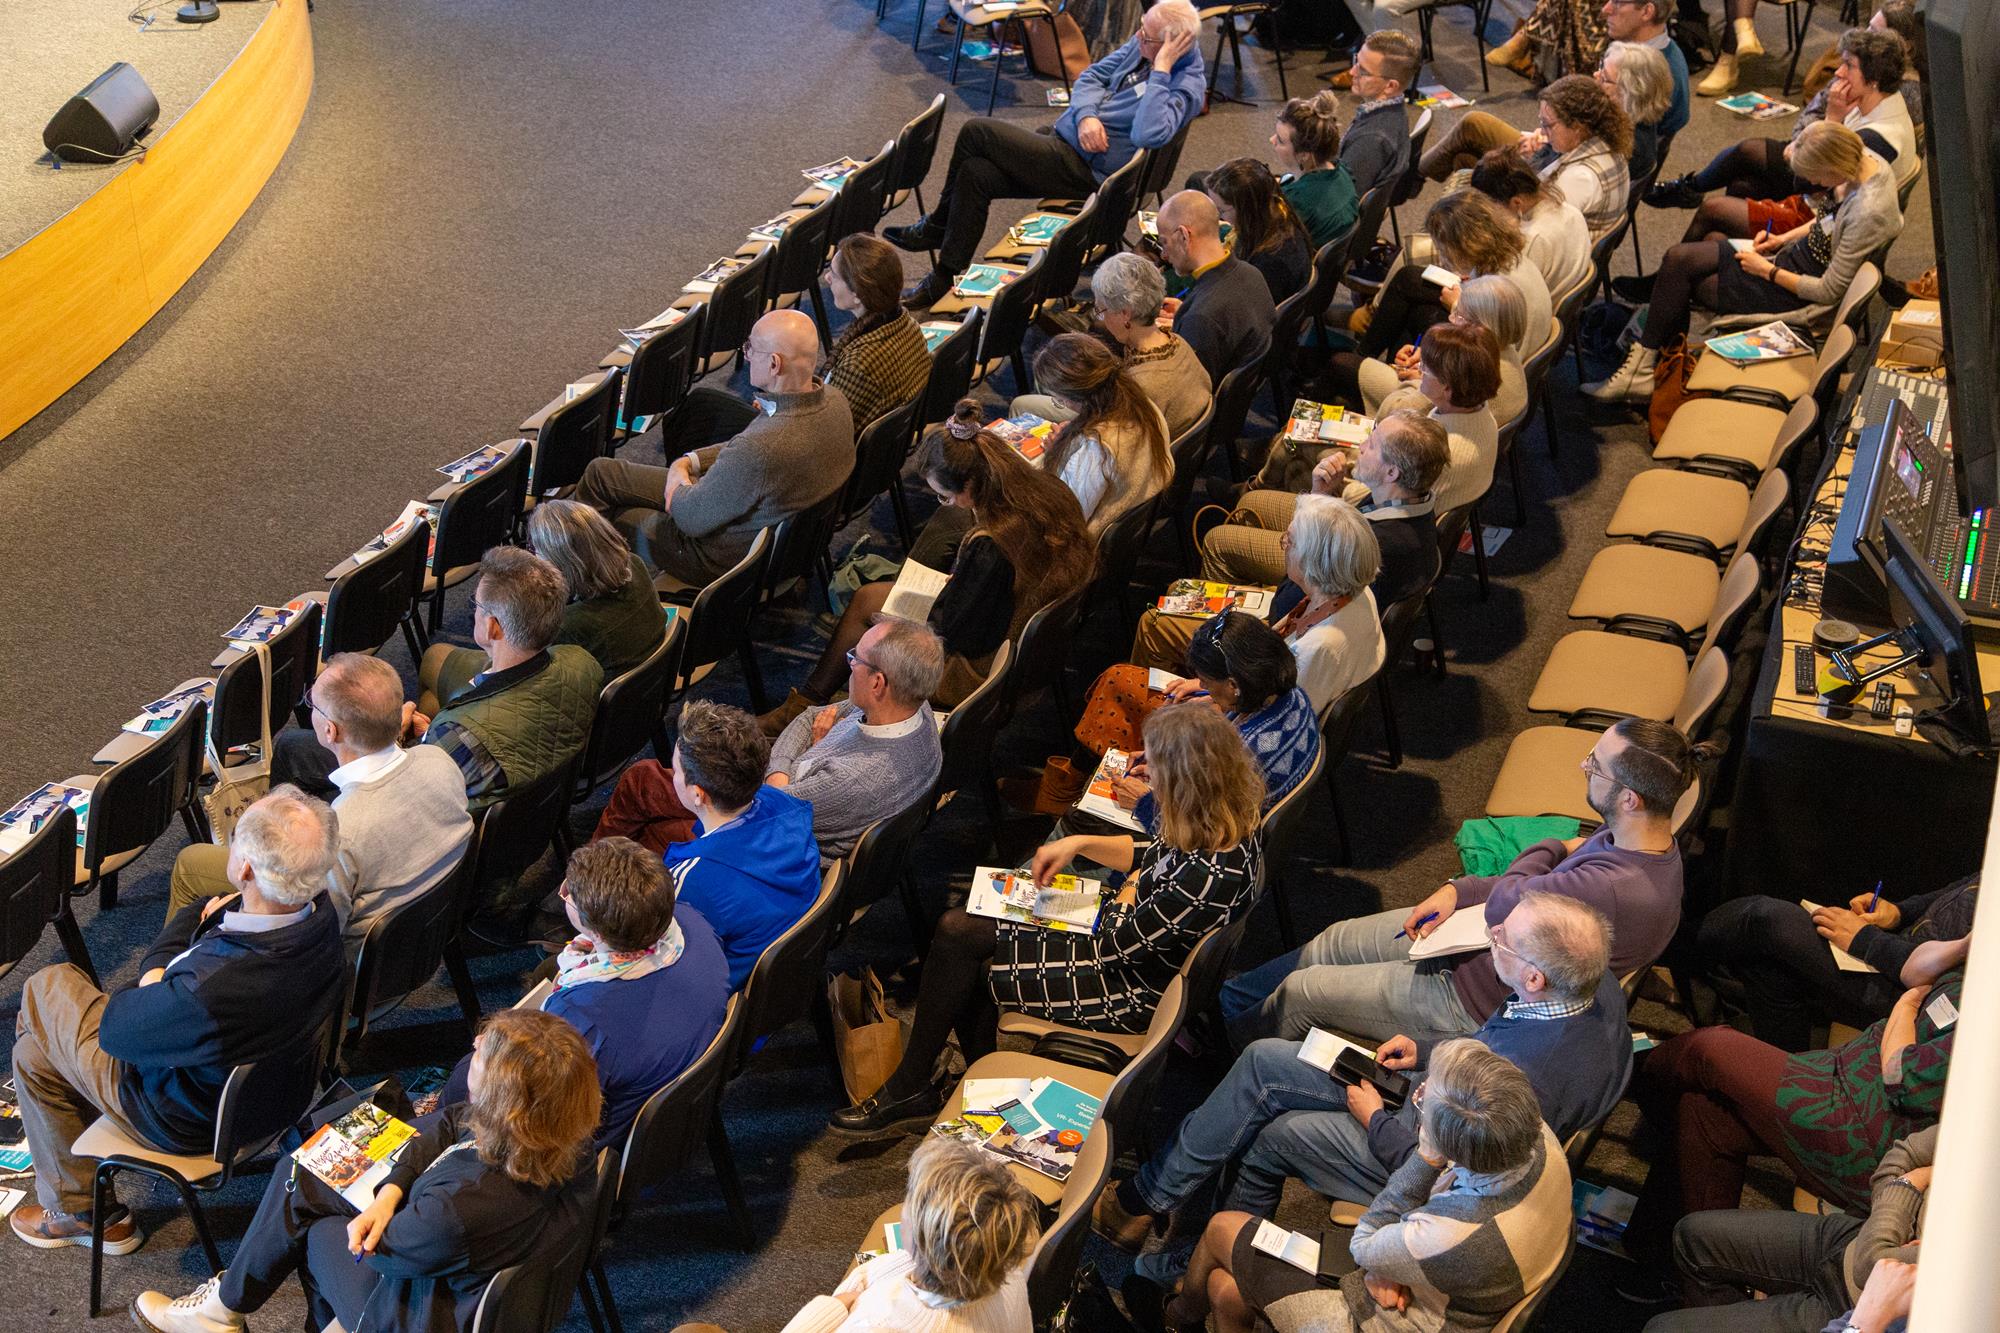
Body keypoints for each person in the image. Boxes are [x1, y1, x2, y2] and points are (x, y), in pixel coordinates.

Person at [1098, 891, 1628, 1260]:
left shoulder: (1529, 1076)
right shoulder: (1585, 982)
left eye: (1502, 940)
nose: (1491, 936)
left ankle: (1202, 1254)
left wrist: (1375, 1121)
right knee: (1263, 1061)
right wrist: (1425, 1050)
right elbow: (1484, 1048)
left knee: (1273, 1136)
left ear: (1534, 977)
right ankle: (1147, 1201)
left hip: (1419, 1153)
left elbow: (1447, 1177)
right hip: (1434, 1100)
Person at [829, 704, 1264, 1135]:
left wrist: (1122, 891)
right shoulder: (1222, 825)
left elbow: (1117, 946)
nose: (1150, 782)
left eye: (1158, 774)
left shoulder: (1206, 876)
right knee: (961, 930)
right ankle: (942, 1083)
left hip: (1128, 989)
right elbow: (1149, 855)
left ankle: (920, 1086)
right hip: (1126, 939)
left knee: (964, 948)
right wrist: (1078, 843)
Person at [12, 788, 345, 1253]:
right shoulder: (319, 914)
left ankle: (86, 1213)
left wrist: (154, 977)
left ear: (246, 870)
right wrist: (183, 945)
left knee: (47, 984)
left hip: (180, 1116)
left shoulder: (210, 988)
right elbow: (200, 908)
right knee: (32, 1056)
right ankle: (79, 1209)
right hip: (278, 1093)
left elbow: (117, 1028)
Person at [1225, 716, 1692, 1048]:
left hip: (1472, 998)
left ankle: (1220, 1048)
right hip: (1477, 946)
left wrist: (1552, 844)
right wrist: (1459, 889)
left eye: (1595, 766)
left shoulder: (1611, 888)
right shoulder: (1636, 837)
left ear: (1629, 798)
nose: (1583, 768)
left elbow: (1508, 899)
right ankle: (1225, 1005)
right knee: (1333, 940)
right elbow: (1521, 891)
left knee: (1305, 992)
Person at [131, 1009, 600, 1333]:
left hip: (416, 1308)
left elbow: (380, 1252)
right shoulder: (567, 1140)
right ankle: (224, 1306)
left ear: (499, 1101)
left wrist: (387, 1203)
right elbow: (452, 1119)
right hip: (456, 1253)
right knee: (305, 1169)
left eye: (481, 1054)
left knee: (309, 1219)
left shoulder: (454, 1210)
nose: (474, 1045)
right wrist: (390, 1192)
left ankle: (223, 1308)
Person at [1620, 945, 1967, 1304]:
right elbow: (1913, 969)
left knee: (1707, 1050)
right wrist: (1967, 943)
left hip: (1865, 1128)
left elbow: (1901, 1076)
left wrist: (1906, 1008)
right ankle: (1673, 1270)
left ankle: (1611, 1077)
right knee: (1705, 1113)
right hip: (1849, 1069)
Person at [1166, 1040, 1572, 1333]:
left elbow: (1365, 1242)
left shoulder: (1452, 1235)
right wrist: (1394, 1264)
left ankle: (1177, 1315)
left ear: (1449, 1149)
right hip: (1443, 1285)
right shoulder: (1539, 1139)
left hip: (1385, 1317)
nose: (1419, 1096)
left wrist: (1426, 1157)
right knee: (1224, 1289)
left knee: (1221, 1228)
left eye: (1424, 1104)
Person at [766, 403, 1096, 717]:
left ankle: (808, 704)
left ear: (970, 483)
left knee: (871, 607)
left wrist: (906, 621)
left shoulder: (993, 543)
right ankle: (806, 701)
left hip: (977, 666)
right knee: (869, 597)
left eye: (945, 495)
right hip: (1023, 637)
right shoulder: (1046, 490)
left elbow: (958, 635)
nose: (947, 503)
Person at [886, 1, 1206, 308]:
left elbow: (1147, 134)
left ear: (1172, 47)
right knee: (975, 174)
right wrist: (1087, 116)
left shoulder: (1184, 86)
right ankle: (944, 276)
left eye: (1146, 36)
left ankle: (936, 227)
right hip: (1067, 141)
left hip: (1086, 171)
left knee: (976, 131)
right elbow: (1091, 76)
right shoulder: (1144, 45)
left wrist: (1161, 71)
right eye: (1141, 27)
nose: (1137, 37)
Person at [432, 838, 729, 1150]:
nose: (565, 895)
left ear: (597, 932)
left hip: (595, 1143)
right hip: (672, 1088)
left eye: (568, 895)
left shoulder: (582, 1021)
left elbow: (542, 1104)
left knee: (467, 1073)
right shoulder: (693, 923)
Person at [167, 655, 473, 950]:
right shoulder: (439, 760)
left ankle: (174, 976)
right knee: (292, 751)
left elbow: (319, 928)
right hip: (431, 928)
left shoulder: (340, 833)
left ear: (330, 730)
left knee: (190, 864)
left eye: (313, 704)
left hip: (351, 965)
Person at [1587, 121, 1899, 403]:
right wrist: (1781, 239)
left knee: (1682, 274)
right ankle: (1655, 364)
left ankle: (1649, 367)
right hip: (1791, 260)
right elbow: (1828, 220)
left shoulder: (1868, 212)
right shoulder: (1862, 158)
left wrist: (1768, 271)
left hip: (1798, 294)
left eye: (1814, 176)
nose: (1812, 182)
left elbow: (1829, 291)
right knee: (1693, 254)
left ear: (1832, 167)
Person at [601, 618, 944, 861]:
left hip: (769, 844)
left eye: (854, 659)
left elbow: (768, 808)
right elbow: (808, 716)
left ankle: (594, 891)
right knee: (646, 785)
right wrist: (788, 769)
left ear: (878, 683)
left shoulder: (853, 780)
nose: (848, 662)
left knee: (646, 800)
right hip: (779, 804)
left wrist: (800, 760)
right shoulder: (913, 705)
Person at [573, 308, 855, 590]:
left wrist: (678, 472)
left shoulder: (763, 447)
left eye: (751, 348)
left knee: (607, 518)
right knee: (601, 474)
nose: (746, 355)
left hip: (714, 557)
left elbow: (689, 518)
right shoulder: (835, 403)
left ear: (774, 364)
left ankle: (583, 580)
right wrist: (692, 460)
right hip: (771, 539)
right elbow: (746, 447)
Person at [1641, 1123, 1931, 1327]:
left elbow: (1872, 1266)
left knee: (1660, 1328)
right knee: (1691, 1236)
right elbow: (1904, 1152)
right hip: (1854, 1236)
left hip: (1852, 1305)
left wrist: (1908, 1183)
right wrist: (1895, 1209)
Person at [1055, 611, 1323, 822]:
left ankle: (1059, 800)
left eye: (1206, 680)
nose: (1202, 687)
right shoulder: (1289, 696)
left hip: (1207, 846)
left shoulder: (1245, 755)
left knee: (1078, 822)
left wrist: (1143, 803)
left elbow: (1206, 838)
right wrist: (1170, 764)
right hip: (1226, 810)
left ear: (1234, 685)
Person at [1651, 25, 1917, 228]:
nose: (1838, 72)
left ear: (1874, 78)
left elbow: (1808, 180)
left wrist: (1832, 120)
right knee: (1742, 184)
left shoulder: (1878, 138)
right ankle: (1706, 251)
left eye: (1848, 65)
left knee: (1718, 205)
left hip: (1820, 219)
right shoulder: (1877, 98)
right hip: (1818, 192)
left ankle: (1689, 211)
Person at [1695, 873, 1976, 1053]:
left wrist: (1867, 941)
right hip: (1900, 950)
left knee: (1766, 920)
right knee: (1768, 963)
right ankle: (1786, 1079)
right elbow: (1970, 887)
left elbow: (1960, 966)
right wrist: (1899, 912)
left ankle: (1680, 946)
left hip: (1918, 995)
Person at [780, 1137, 1039, 1332]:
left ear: (920, 1236)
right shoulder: (1010, 1278)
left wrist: (832, 1307)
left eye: (910, 1199)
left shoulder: (879, 1321)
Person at [1201, 408, 1447, 613]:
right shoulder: (1409, 501)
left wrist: (1302, 532)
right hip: (1325, 562)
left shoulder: (1373, 545)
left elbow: (1287, 604)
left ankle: (1223, 641)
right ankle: (1247, 583)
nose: (1361, 446)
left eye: (1371, 445)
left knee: (1217, 542)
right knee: (1252, 501)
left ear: (1391, 472)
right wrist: (1320, 495)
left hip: (1293, 621)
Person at [659, 700, 824, 990]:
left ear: (698, 794)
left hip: (719, 994)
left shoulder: (691, 882)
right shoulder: (783, 805)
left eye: (676, 770)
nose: (673, 777)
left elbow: (666, 964)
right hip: (776, 973)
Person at [1342, 191, 1550, 379]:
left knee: (1415, 313)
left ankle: (1382, 372)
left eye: (1444, 250)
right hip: (1498, 335)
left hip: (1491, 363)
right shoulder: (1507, 257)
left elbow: (1486, 341)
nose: (1442, 258)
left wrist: (1456, 305)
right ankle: (1377, 365)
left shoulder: (1498, 287)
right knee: (1410, 280)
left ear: (1465, 245)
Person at [1015, 251, 1210, 438]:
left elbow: (1113, 447)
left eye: (1101, 310)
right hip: (1164, 437)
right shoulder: (1180, 342)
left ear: (1125, 314)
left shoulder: (1135, 391)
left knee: (1021, 404)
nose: (1102, 318)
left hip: (1123, 436)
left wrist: (1066, 441)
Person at [1421, 75, 1634, 240]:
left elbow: (1533, 232)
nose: (1542, 130)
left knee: (1463, 184)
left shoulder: (1580, 180)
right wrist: (1542, 152)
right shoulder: (1602, 141)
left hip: (1538, 256)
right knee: (1465, 160)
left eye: (1548, 124)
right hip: (1543, 231)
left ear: (1577, 127)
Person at [1024, 332, 1173, 535]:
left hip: (1083, 540)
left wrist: (1055, 456)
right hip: (1131, 519)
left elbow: (1068, 517)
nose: (1061, 404)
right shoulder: (1142, 404)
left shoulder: (1097, 448)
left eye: (1059, 399)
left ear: (1076, 397)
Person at [527, 499, 667, 680]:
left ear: (561, 562)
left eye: (536, 550)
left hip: (610, 689)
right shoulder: (635, 564)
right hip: (656, 674)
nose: (534, 558)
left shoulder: (568, 624)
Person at [1157, 189, 1277, 382]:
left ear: (1184, 236)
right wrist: (1183, 318)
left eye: (1164, 242)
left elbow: (1188, 388)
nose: (1163, 254)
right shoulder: (1252, 273)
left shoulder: (1202, 318)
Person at [1387, 321, 1504, 518]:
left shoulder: (1437, 456)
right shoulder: (1481, 414)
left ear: (1447, 388)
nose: (1419, 370)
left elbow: (1389, 508)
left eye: (1424, 368)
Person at [821, 233, 935, 430]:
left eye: (834, 274)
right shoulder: (907, 323)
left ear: (857, 294)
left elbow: (828, 430)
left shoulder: (857, 366)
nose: (827, 277)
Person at [1470, 146, 1594, 301]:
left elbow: (1504, 300)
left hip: (1532, 307)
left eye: (1491, 208)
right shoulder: (1571, 212)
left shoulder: (1530, 240)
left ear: (1516, 202)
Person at [1204, 157, 1315, 304]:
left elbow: (1243, 308)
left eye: (1221, 210)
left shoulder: (1269, 263)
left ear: (1245, 210)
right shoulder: (1277, 212)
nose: (1217, 215)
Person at [1270, 91, 1361, 249]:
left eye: (1280, 140)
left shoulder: (1296, 203)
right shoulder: (1341, 170)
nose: (1272, 140)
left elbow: (1267, 242)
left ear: (1304, 155)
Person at [1337, 31, 1422, 197]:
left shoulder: (1371, 140)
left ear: (1390, 86)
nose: (1352, 72)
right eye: (1356, 61)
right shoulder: (1395, 111)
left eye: (1363, 71)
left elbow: (1341, 199)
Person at [1599, 39, 1675, 181]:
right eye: (1600, 68)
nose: (1596, 76)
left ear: (1629, 93)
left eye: (1605, 78)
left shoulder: (1624, 147)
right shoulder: (1637, 117)